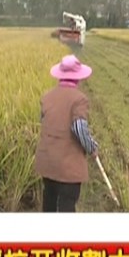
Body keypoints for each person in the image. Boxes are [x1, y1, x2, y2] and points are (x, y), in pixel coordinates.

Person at [34, 54, 99, 212]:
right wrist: (91, 147)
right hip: (68, 166)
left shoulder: (47, 97)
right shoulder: (79, 99)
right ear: (78, 78)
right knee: (66, 206)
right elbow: (78, 128)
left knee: (49, 201)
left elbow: (45, 123)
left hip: (48, 161)